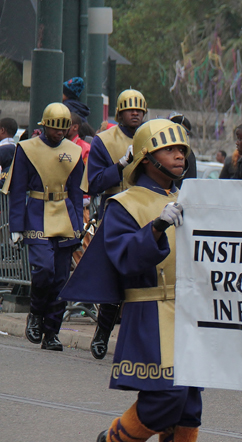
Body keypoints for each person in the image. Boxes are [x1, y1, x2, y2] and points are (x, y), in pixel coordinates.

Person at [61, 118, 207, 442]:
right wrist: (158, 224)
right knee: (165, 398)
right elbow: (125, 258)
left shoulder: (192, 198)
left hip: (192, 314)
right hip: (150, 310)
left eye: (182, 149)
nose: (181, 154)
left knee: (189, 405)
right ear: (147, 156)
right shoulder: (123, 204)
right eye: (169, 149)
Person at [2, 103, 84, 351]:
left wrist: (78, 225)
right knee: (45, 270)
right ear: (44, 126)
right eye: (54, 128)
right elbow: (17, 189)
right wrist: (16, 225)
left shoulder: (75, 151)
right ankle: (36, 314)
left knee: (61, 279)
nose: (59, 133)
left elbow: (77, 192)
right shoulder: (27, 149)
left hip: (65, 214)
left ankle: (52, 332)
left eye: (63, 129)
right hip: (37, 213)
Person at [83, 89, 148, 361]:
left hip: (147, 209)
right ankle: (102, 333)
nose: (135, 113)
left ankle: (139, 340)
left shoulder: (155, 135)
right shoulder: (104, 141)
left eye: (139, 110)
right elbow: (95, 183)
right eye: (129, 109)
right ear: (119, 112)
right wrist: (121, 164)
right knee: (114, 275)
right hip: (117, 210)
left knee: (145, 277)